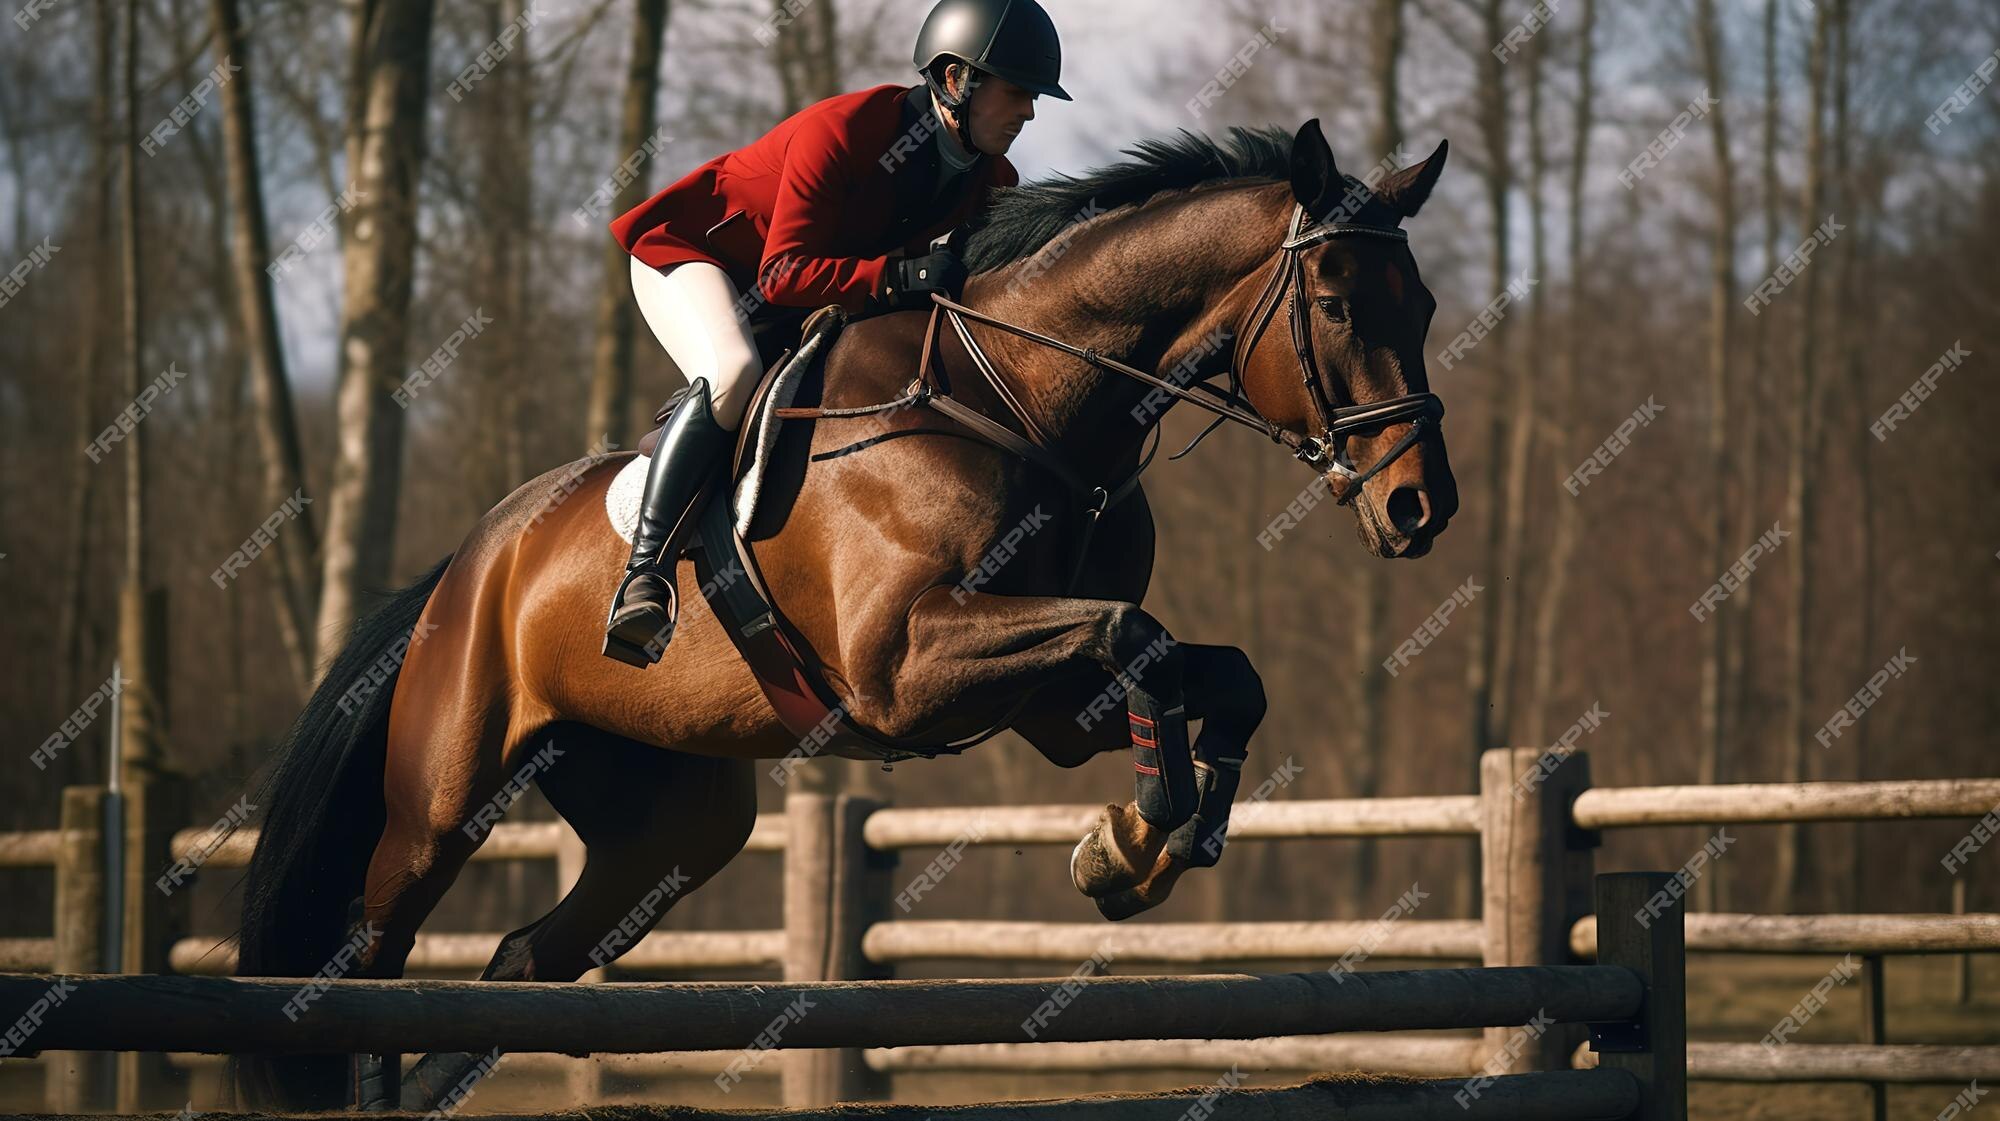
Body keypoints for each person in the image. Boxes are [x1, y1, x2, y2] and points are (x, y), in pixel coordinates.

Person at [600, 0, 1069, 667]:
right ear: (956, 79)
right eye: (1018, 92)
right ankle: (643, 578)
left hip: (795, 297)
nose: (1027, 113)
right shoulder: (847, 131)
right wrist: (897, 274)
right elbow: (785, 272)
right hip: (697, 258)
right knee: (733, 370)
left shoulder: (992, 181)